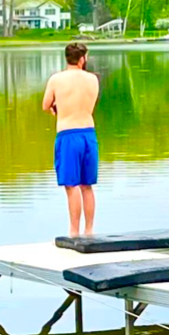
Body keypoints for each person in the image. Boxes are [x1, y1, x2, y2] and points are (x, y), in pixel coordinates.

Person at [42, 43, 100, 237]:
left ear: (67, 58)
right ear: (82, 58)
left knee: (71, 185)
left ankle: (74, 232)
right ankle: (89, 230)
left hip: (68, 134)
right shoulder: (93, 79)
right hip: (89, 134)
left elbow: (45, 105)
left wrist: (56, 107)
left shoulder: (56, 79)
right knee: (87, 186)